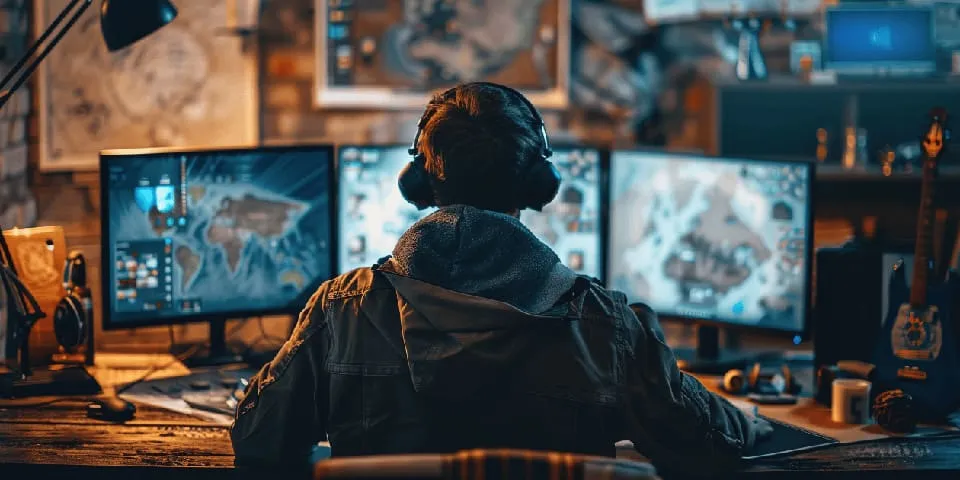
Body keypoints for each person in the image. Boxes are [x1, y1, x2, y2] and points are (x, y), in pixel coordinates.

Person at [230, 82, 772, 476]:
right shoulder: (606, 324)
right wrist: (746, 419)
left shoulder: (342, 309)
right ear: (539, 184)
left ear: (419, 181)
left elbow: (258, 444)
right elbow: (710, 449)